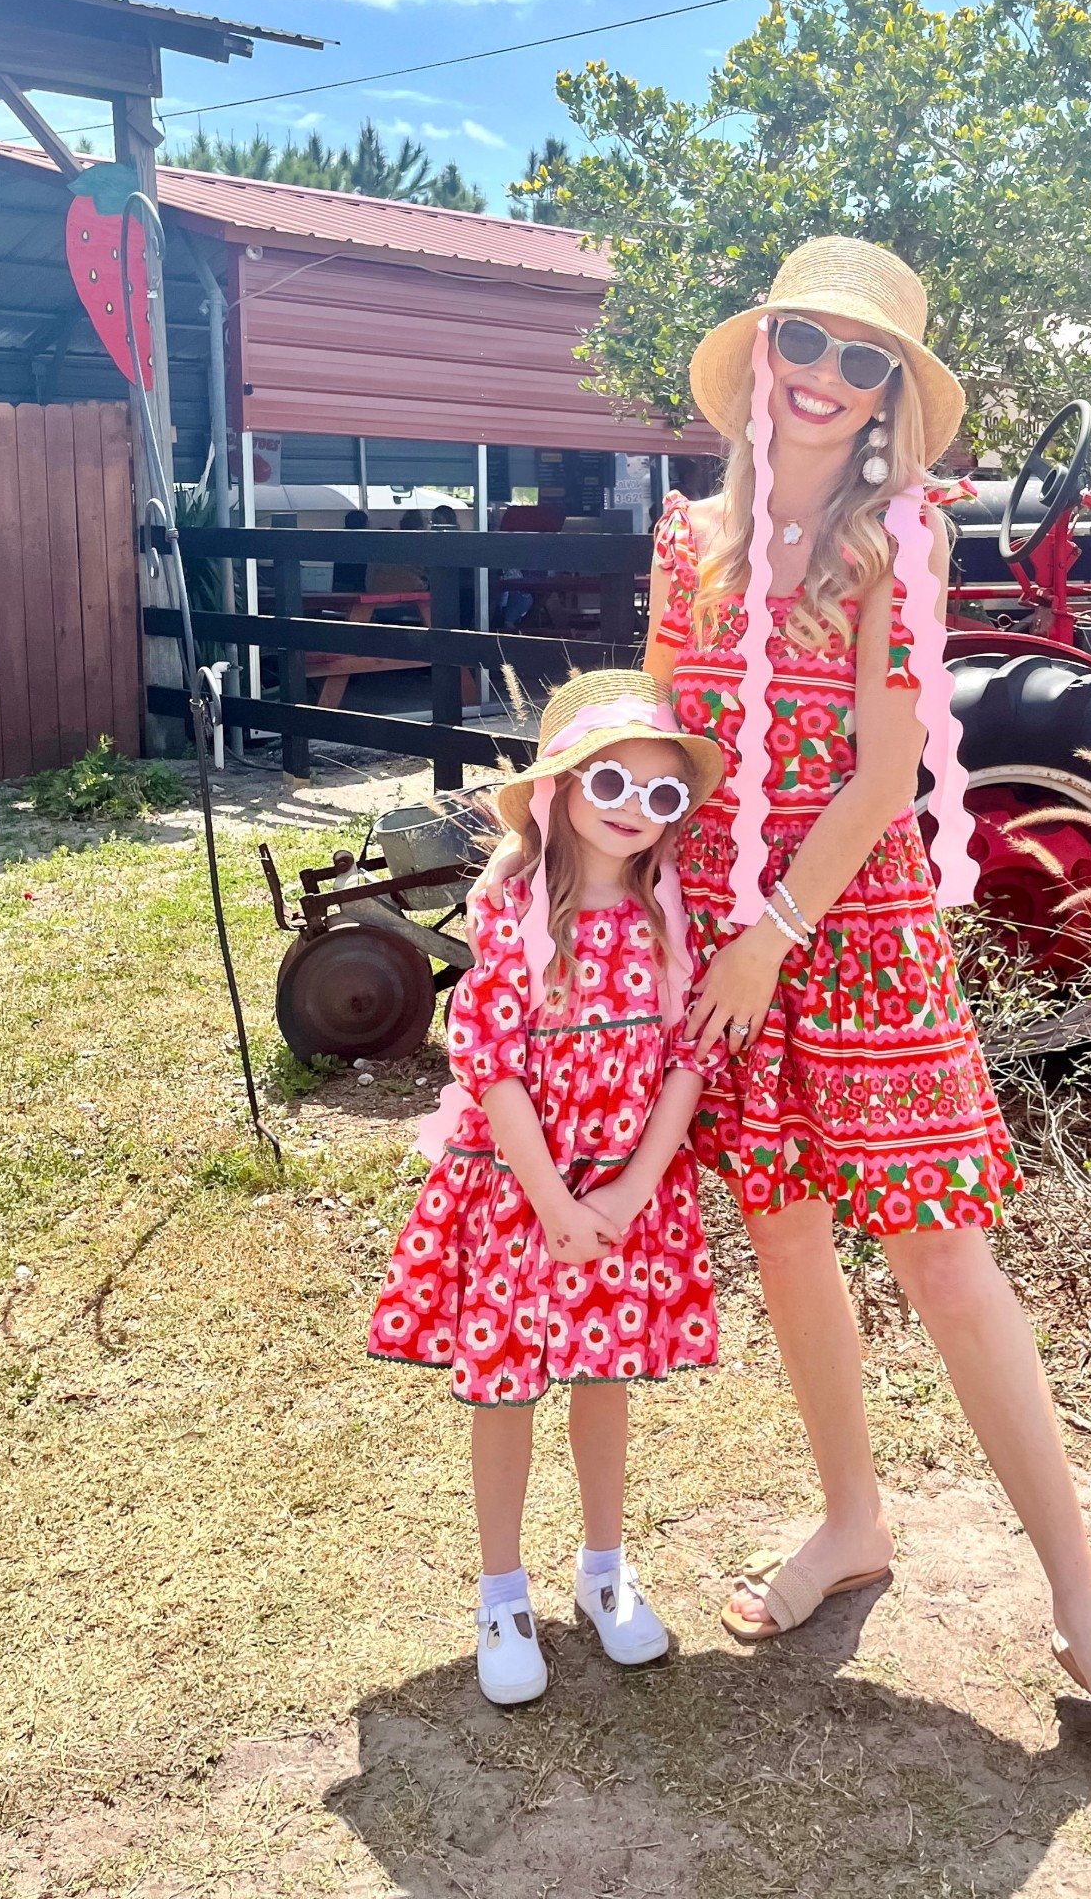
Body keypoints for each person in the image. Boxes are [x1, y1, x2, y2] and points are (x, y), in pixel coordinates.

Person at [649, 237, 1091, 1828]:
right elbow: (668, 731)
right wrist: (612, 885)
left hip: (851, 924)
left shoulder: (899, 538)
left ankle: (1089, 1617)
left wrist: (769, 933)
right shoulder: (686, 537)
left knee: (944, 1258)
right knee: (783, 1227)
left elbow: (887, 771)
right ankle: (852, 1520)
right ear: (763, 353)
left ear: (893, 391)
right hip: (718, 921)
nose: (826, 377)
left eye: (863, 360)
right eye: (806, 343)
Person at [368, 669, 726, 1706]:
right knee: (508, 1387)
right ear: (562, 786)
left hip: (624, 1195)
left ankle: (604, 1569)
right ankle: (501, 1593)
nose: (633, 807)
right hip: (523, 1194)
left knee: (602, 1377)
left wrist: (626, 1196)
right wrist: (557, 1205)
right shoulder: (514, 907)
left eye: (663, 793)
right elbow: (492, 1065)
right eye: (611, 780)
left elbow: (690, 1059)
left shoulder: (670, 913)